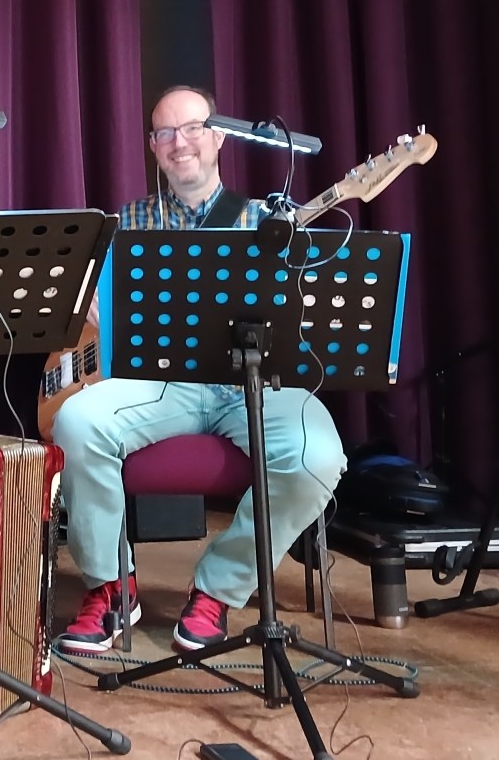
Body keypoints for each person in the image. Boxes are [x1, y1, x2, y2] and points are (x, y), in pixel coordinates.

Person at [52, 85, 345, 655]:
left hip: (253, 384)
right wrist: (89, 303)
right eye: (165, 133)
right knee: (77, 422)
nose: (179, 142)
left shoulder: (269, 220)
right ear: (153, 147)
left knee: (319, 457)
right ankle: (111, 586)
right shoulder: (129, 221)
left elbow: (307, 320)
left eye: (192, 129)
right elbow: (86, 299)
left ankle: (218, 589)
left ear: (218, 138)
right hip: (164, 385)